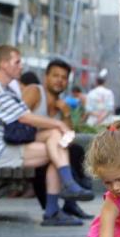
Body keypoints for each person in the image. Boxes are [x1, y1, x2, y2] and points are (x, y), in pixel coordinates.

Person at [0, 45, 93, 227]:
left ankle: (63, 196)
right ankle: (60, 199)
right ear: (3, 64)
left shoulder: (7, 89)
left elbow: (63, 134)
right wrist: (58, 124)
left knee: (57, 142)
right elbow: (23, 118)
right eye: (17, 62)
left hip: (7, 147)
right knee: (56, 146)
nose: (21, 66)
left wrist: (63, 121)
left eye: (64, 77)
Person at [22, 59, 94, 220]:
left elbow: (68, 137)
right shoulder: (35, 91)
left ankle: (70, 203)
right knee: (58, 142)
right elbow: (18, 117)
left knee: (73, 149)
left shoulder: (62, 105)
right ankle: (66, 195)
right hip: (26, 145)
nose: (59, 80)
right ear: (46, 77)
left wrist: (66, 113)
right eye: (55, 76)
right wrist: (55, 125)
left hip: (49, 149)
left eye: (63, 77)